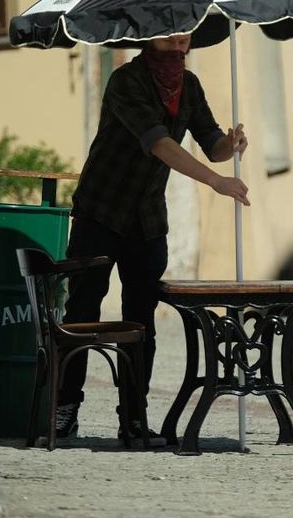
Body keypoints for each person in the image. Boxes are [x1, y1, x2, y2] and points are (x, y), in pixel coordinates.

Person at [53, 33, 250, 442]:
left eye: (185, 32)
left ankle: (134, 416)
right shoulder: (127, 80)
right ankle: (64, 406)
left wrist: (228, 146)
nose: (180, 40)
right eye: (170, 33)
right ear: (149, 37)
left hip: (146, 220)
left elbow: (209, 140)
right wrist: (214, 180)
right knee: (81, 314)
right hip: (101, 211)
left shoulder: (189, 85)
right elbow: (158, 143)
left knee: (141, 321)